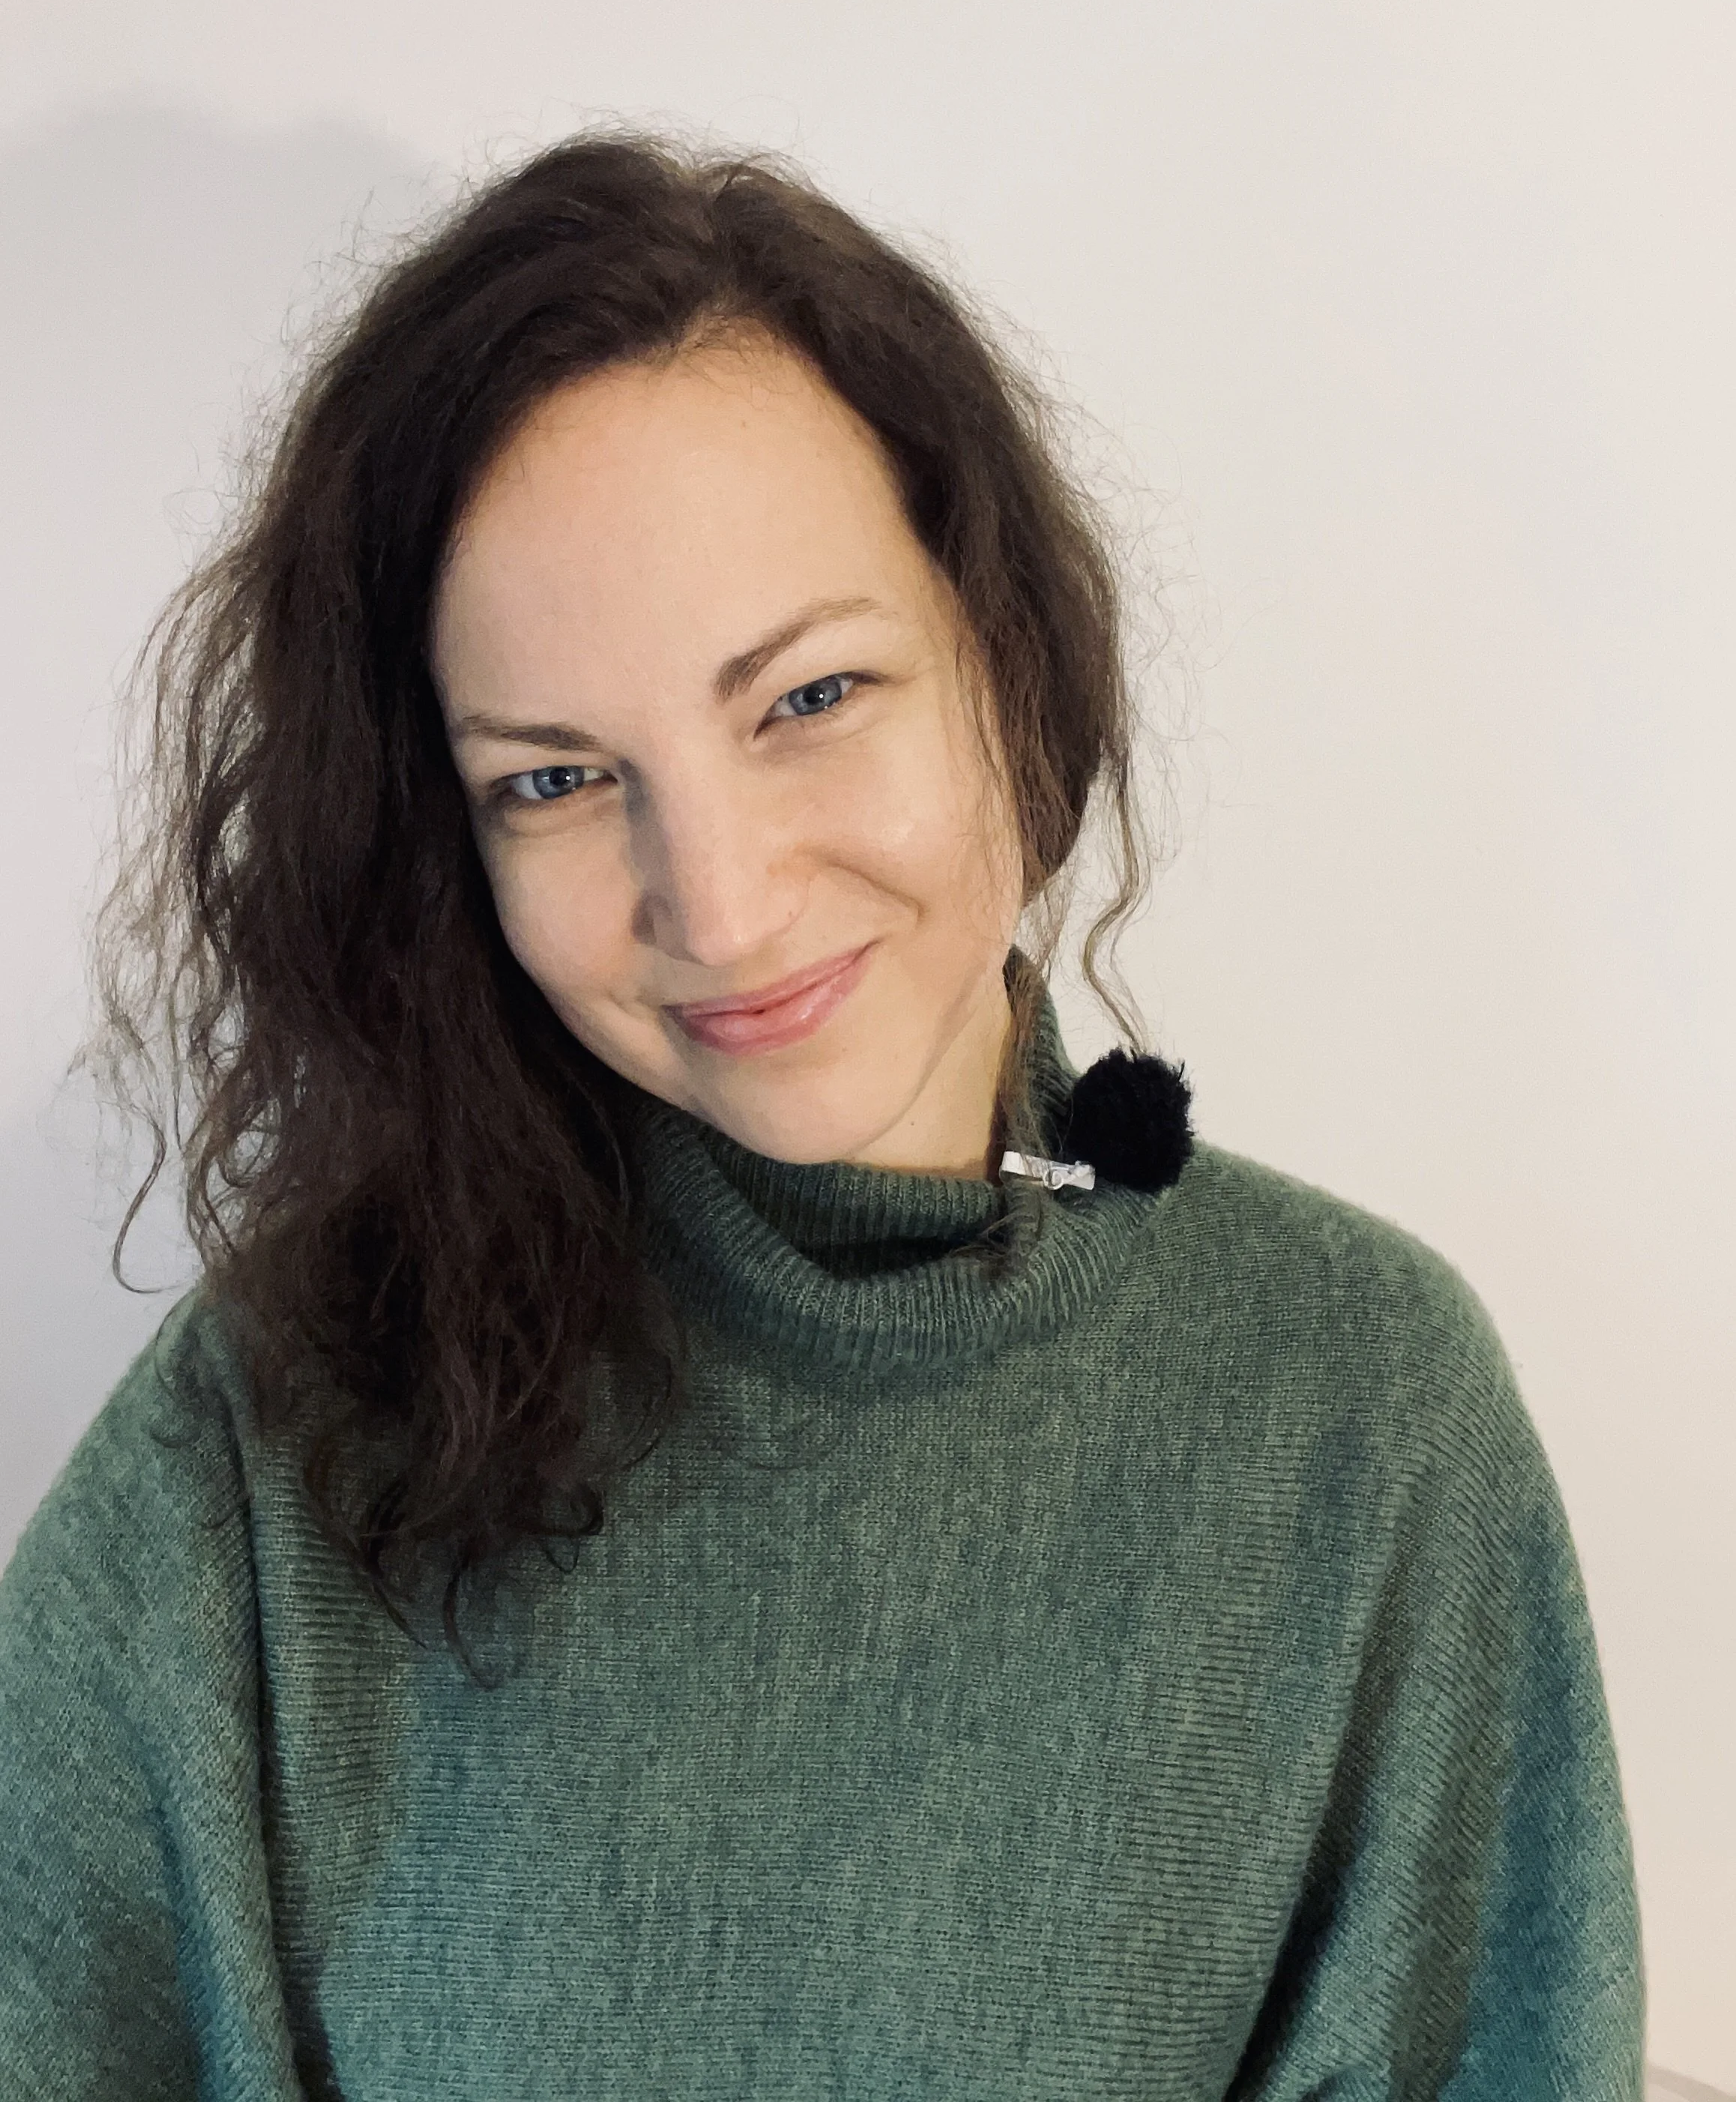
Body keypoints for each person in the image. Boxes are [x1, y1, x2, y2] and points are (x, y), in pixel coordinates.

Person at [0, 134, 1643, 2099]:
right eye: (552, 780)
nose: (722, 898)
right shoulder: (280, 1420)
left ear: (1001, 665)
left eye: (807, 698)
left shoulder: (1350, 1414)